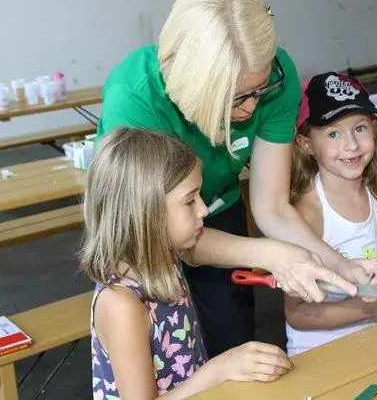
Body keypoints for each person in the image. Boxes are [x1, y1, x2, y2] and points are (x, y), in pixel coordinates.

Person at [96, 0, 377, 358]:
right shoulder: (134, 100)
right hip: (146, 231)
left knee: (232, 339)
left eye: (259, 91)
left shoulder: (276, 76)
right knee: (163, 354)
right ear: (192, 84)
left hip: (219, 207)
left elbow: (272, 205)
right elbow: (164, 233)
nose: (251, 108)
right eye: (234, 98)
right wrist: (273, 254)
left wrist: (341, 266)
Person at [81, 128, 294, 398]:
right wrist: (219, 369)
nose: (204, 210)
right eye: (190, 200)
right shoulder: (122, 305)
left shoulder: (165, 262)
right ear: (148, 214)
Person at [283, 73, 377, 355]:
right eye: (333, 133)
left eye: (359, 128)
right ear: (307, 144)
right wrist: (367, 307)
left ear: (374, 129)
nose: (351, 144)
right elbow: (296, 313)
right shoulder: (306, 214)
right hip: (320, 352)